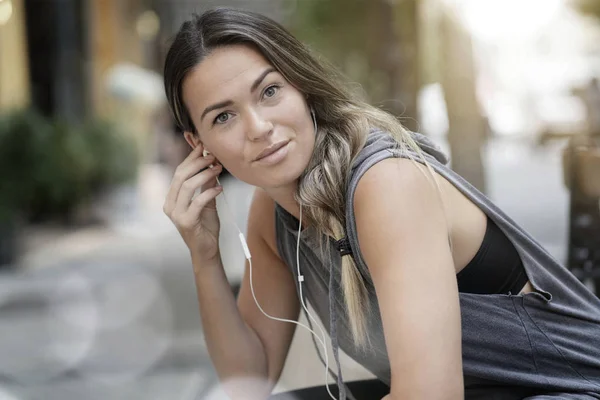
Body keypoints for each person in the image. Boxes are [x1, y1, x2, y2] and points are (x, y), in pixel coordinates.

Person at [162, 8, 600, 400]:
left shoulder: (384, 182)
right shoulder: (272, 214)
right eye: (224, 116)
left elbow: (430, 394)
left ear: (302, 89)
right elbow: (250, 379)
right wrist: (204, 256)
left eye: (270, 92)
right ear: (200, 146)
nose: (258, 127)